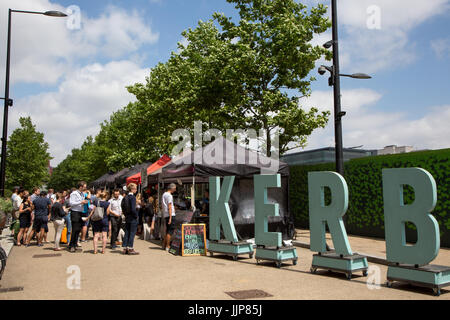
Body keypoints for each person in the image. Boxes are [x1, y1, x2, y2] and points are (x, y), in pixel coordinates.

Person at [68, 182, 88, 253]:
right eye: (84, 187)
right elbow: (71, 203)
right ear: (80, 187)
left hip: (80, 212)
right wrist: (80, 202)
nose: (85, 188)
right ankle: (71, 245)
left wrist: (84, 202)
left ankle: (75, 243)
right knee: (75, 229)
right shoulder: (74, 193)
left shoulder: (82, 194)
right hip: (75, 212)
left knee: (78, 229)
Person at [122, 183, 139, 255]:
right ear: (132, 189)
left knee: (127, 232)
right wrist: (136, 215)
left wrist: (125, 214)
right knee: (132, 233)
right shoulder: (132, 197)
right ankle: (130, 248)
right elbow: (133, 209)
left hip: (127, 216)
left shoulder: (125, 197)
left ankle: (125, 248)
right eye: (135, 188)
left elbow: (122, 206)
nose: (136, 190)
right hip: (132, 217)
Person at [161, 183, 177, 251]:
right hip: (170, 214)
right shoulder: (169, 195)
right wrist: (170, 217)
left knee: (167, 230)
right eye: (175, 188)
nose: (175, 190)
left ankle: (164, 245)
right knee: (170, 231)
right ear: (172, 188)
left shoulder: (164, 194)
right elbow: (169, 206)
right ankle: (168, 245)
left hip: (166, 214)